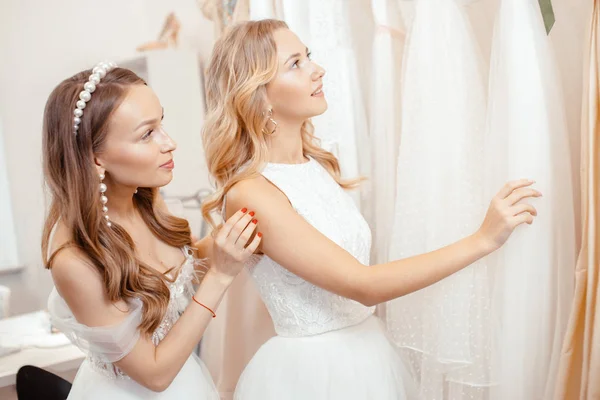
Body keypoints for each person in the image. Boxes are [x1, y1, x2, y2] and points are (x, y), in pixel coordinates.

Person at [201, 20, 541, 399]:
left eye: (308, 56)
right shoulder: (252, 193)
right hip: (313, 376)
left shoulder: (316, 167)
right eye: (295, 63)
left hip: (369, 351)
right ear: (259, 95)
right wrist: (482, 240)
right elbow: (364, 285)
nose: (318, 69)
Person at [41, 62, 261, 399]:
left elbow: (174, 270)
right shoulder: (73, 259)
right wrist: (220, 274)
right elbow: (154, 374)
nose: (169, 143)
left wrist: (230, 237)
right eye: (146, 134)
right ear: (95, 158)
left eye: (161, 124)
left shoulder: (145, 199)